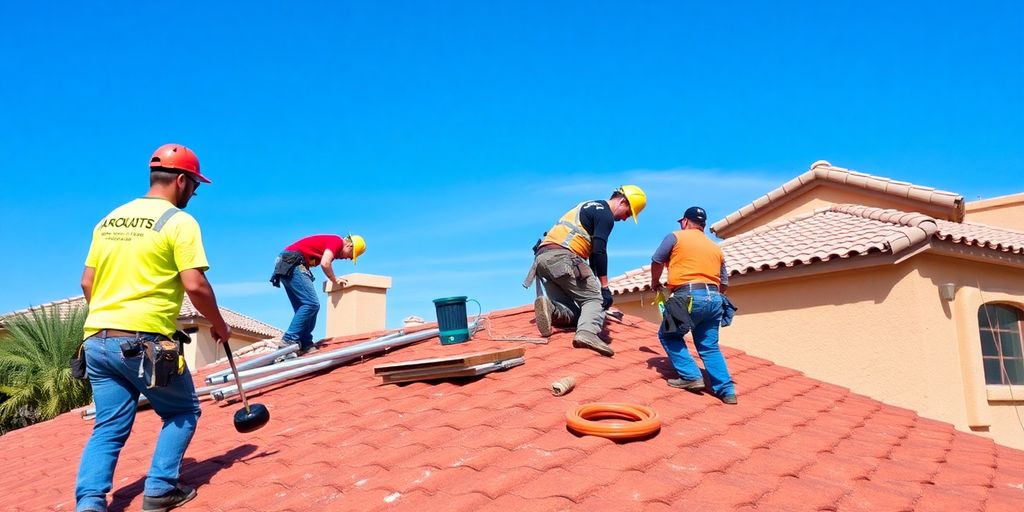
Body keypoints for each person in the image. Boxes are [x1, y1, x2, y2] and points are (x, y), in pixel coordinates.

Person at [76, 144, 232, 512]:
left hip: (96, 340)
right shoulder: (179, 222)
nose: (194, 194)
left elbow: (87, 282)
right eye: (194, 186)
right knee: (182, 412)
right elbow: (195, 285)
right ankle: (160, 489)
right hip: (144, 341)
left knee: (109, 428)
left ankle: (89, 503)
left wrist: (110, 318)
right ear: (181, 180)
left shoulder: (109, 220)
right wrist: (220, 325)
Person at [523, 185, 647, 357]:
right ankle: (587, 334)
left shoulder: (588, 205)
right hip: (563, 259)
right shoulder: (605, 215)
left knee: (575, 312)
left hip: (543, 262)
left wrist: (597, 280)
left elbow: (594, 258)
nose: (625, 219)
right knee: (594, 300)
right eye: (628, 213)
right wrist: (604, 288)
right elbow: (599, 250)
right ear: (622, 201)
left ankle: (551, 309)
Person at [649, 206, 737, 405]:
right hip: (715, 298)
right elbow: (724, 283)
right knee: (709, 347)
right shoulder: (715, 248)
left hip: (686, 295)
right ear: (703, 226)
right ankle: (727, 391)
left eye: (682, 221)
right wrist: (709, 299)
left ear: (686, 222)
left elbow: (656, 260)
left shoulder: (676, 237)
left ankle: (690, 376)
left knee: (669, 335)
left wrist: (655, 283)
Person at [270, 234, 366, 355]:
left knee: (303, 307)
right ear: (349, 245)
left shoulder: (334, 243)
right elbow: (325, 263)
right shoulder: (337, 241)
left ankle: (305, 343)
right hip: (292, 262)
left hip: (285, 263)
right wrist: (334, 279)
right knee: (311, 304)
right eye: (351, 255)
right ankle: (288, 341)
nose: (348, 259)